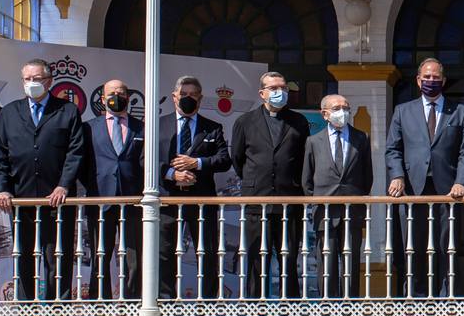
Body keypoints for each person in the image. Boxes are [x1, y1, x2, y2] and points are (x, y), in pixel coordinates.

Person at [0, 59, 85, 301]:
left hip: (57, 199)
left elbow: (75, 152)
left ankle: (58, 311)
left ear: (49, 81)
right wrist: (2, 188)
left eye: (37, 79)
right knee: (23, 256)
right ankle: (25, 310)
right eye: (27, 79)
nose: (32, 83)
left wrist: (63, 184)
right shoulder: (10, 112)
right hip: (20, 200)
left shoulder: (67, 111)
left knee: (57, 256)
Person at [385, 58, 464, 298]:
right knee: (413, 246)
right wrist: (397, 176)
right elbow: (393, 149)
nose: (431, 81)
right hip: (413, 189)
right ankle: (415, 299)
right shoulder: (403, 111)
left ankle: (448, 298)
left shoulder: (461, 112)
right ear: (418, 80)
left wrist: (461, 181)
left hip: (448, 191)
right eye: (426, 77)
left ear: (443, 80)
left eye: (435, 77)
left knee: (447, 247)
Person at [231, 70, 309, 298]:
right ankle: (256, 313)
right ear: (262, 93)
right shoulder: (245, 121)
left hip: (289, 201)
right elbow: (238, 159)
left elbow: (304, 157)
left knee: (289, 259)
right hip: (257, 202)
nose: (280, 92)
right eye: (274, 88)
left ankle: (291, 314)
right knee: (257, 260)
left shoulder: (298, 121)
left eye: (283, 88)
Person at [159, 76, 230, 299]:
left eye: (193, 95)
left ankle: (207, 304)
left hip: (202, 200)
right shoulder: (158, 125)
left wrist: (196, 163)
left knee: (207, 252)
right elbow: (146, 160)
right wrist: (173, 174)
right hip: (168, 200)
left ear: (200, 98)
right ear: (174, 97)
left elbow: (224, 160)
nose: (188, 99)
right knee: (164, 252)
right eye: (184, 95)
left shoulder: (213, 127)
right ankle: (165, 303)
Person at [302, 94, 373, 298]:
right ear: (324, 114)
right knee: (327, 265)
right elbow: (307, 180)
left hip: (353, 210)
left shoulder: (362, 138)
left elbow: (367, 177)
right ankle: (329, 311)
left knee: (351, 264)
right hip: (324, 212)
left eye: (346, 107)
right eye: (337, 108)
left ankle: (350, 310)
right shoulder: (313, 142)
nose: (343, 112)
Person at [81, 79, 144, 300]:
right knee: (101, 254)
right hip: (100, 199)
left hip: (133, 201)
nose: (116, 95)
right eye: (112, 92)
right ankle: (101, 304)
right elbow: (81, 163)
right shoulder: (88, 127)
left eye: (121, 92)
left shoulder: (142, 127)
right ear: (102, 99)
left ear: (128, 97)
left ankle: (133, 302)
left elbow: (145, 162)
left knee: (134, 256)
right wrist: (93, 184)